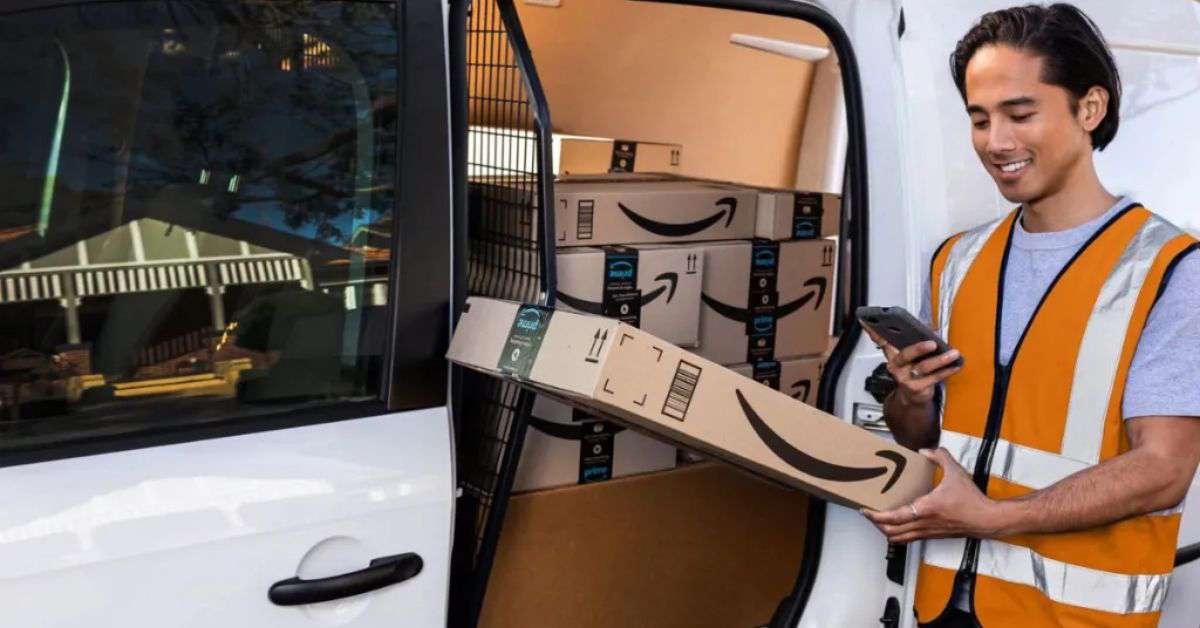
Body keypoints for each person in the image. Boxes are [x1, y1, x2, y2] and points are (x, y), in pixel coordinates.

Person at [860, 4, 1200, 627]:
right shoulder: (956, 261)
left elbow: (1164, 470)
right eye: (980, 119)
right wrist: (911, 397)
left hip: (1073, 618)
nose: (996, 142)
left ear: (1089, 109)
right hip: (940, 605)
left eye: (1020, 115)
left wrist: (993, 518)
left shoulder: (1172, 271)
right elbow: (924, 438)